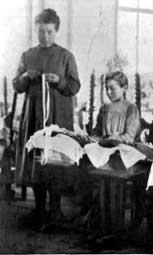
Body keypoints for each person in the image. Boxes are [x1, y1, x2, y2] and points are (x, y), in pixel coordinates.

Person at [12, 9, 80, 227]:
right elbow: (16, 85)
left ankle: (56, 209)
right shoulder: (27, 55)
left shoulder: (66, 56)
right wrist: (24, 76)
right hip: (33, 116)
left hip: (58, 116)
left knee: (55, 160)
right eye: (41, 31)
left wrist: (59, 81)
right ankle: (39, 209)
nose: (45, 36)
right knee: (36, 161)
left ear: (56, 31)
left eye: (50, 32)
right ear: (36, 30)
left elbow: (74, 86)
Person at [94, 71, 140, 143]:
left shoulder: (130, 108)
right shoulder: (104, 109)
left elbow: (129, 137)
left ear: (124, 88)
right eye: (106, 88)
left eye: (112, 88)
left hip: (125, 149)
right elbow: (97, 133)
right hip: (104, 148)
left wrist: (112, 139)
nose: (108, 92)